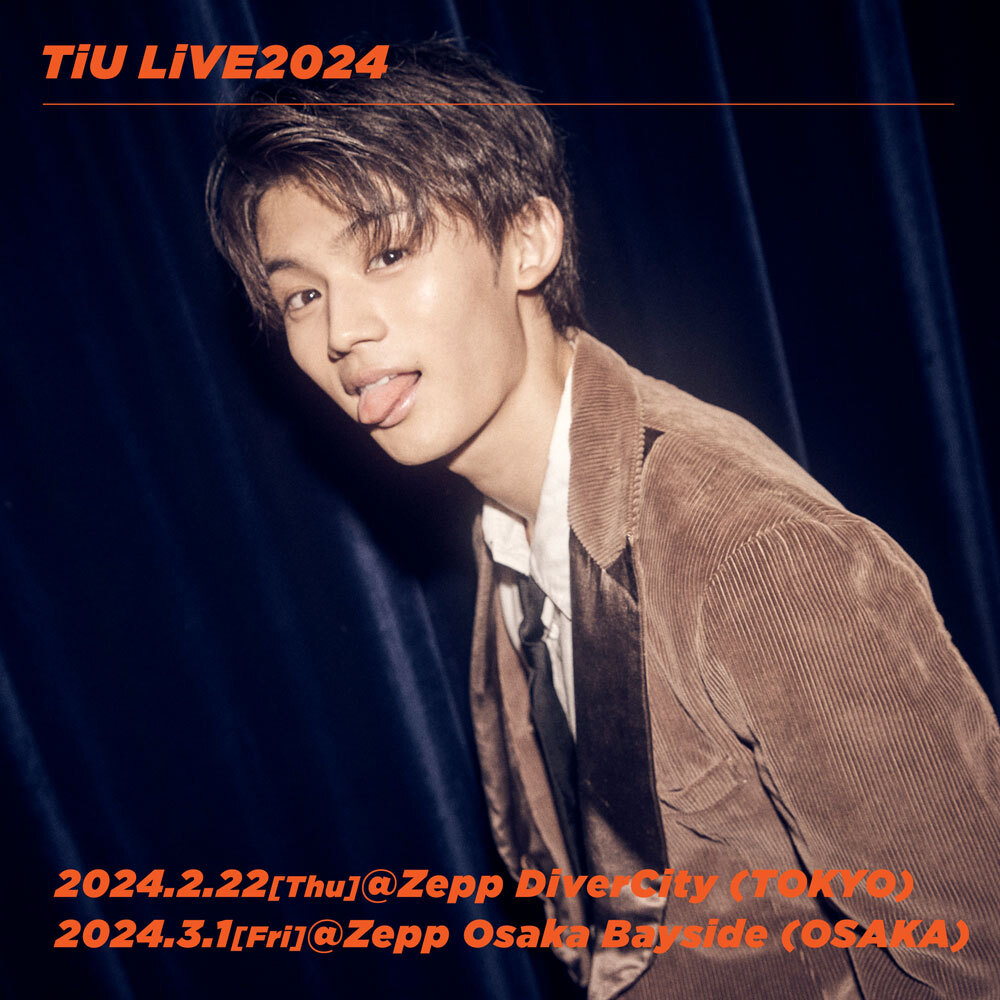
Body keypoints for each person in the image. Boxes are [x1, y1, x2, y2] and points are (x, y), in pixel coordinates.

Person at [206, 40, 1000, 1000]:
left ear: (528, 240)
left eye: (388, 251)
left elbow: (970, 960)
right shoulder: (513, 534)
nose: (342, 332)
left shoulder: (751, 550)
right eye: (302, 294)